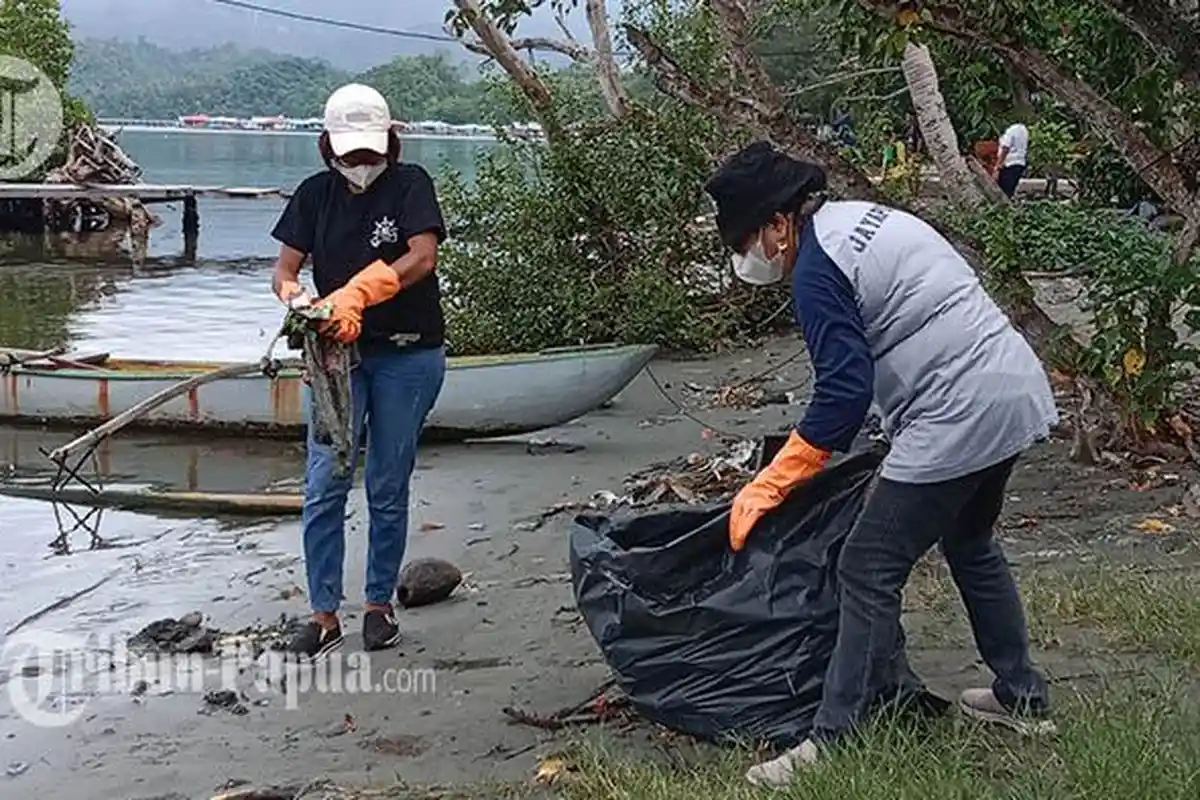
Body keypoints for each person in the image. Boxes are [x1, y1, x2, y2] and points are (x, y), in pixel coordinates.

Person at [702, 141, 1059, 786]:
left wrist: (773, 481)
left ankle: (833, 740)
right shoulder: (861, 219)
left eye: (748, 239)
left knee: (867, 566)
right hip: (1010, 384)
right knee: (971, 541)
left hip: (958, 410)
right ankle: (1021, 697)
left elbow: (843, 393)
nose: (747, 257)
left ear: (779, 223)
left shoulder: (815, 271)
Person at [269, 83, 448, 660]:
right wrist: (299, 299)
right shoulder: (314, 196)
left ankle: (378, 605)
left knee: (387, 483)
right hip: (337, 358)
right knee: (324, 483)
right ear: (328, 147)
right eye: (350, 155)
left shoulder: (411, 185)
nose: (361, 165)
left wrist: (360, 292)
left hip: (408, 353)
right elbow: (285, 269)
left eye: (369, 154)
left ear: (389, 145)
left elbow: (422, 255)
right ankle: (324, 615)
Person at [994, 118, 1029, 198]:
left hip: (1009, 164)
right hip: (1019, 163)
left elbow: (1006, 147)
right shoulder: (1023, 130)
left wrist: (998, 166)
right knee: (1010, 192)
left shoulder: (1010, 131)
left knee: (1003, 193)